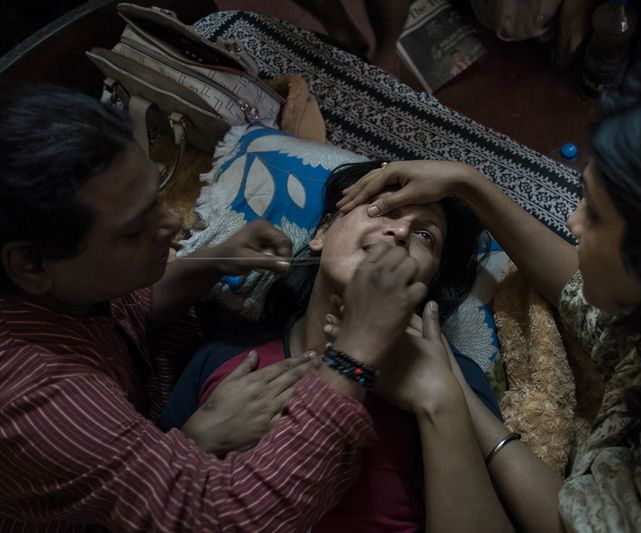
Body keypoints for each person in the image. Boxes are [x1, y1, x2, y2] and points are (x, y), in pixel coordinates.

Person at [335, 40, 641, 531]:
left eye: (595, 214)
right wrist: (469, 182)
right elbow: (592, 302)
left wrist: (448, 398)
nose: (572, 223)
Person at [0, 85, 440, 531]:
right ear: (30, 264)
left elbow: (117, 314)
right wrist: (355, 355)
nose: (173, 223)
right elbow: (222, 520)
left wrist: (206, 264)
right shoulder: (40, 399)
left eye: (157, 194)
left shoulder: (65, 288)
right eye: (134, 231)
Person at [159, 161, 510, 532]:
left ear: (427, 281)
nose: (401, 231)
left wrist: (439, 404)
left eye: (426, 236)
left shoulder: (451, 380)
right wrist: (194, 441)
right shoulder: (227, 354)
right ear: (322, 232)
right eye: (381, 208)